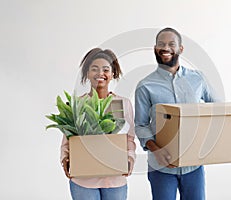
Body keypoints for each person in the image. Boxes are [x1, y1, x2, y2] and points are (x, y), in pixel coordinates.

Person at [134, 27, 217, 200]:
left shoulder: (198, 79)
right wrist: (156, 150)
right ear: (155, 49)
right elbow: (141, 125)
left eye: (172, 44)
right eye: (161, 44)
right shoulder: (145, 85)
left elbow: (216, 110)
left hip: (193, 166)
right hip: (160, 168)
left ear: (181, 49)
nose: (166, 48)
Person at [60, 48, 136, 200]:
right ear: (87, 73)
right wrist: (65, 158)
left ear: (112, 73)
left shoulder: (122, 104)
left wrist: (130, 158)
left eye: (106, 69)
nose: (100, 73)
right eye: (94, 69)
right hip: (83, 179)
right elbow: (68, 138)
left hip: (114, 179)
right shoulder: (78, 104)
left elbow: (129, 138)